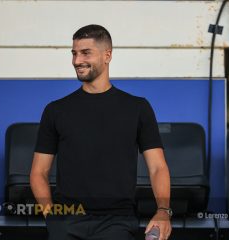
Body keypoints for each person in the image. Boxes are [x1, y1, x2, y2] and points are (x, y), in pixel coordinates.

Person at [30, 24, 172, 240]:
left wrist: (163, 211)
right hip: (67, 220)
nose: (77, 61)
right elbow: (38, 172)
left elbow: (157, 167)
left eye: (86, 53)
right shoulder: (56, 110)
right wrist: (52, 217)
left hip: (118, 221)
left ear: (107, 55)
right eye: (74, 53)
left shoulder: (137, 108)